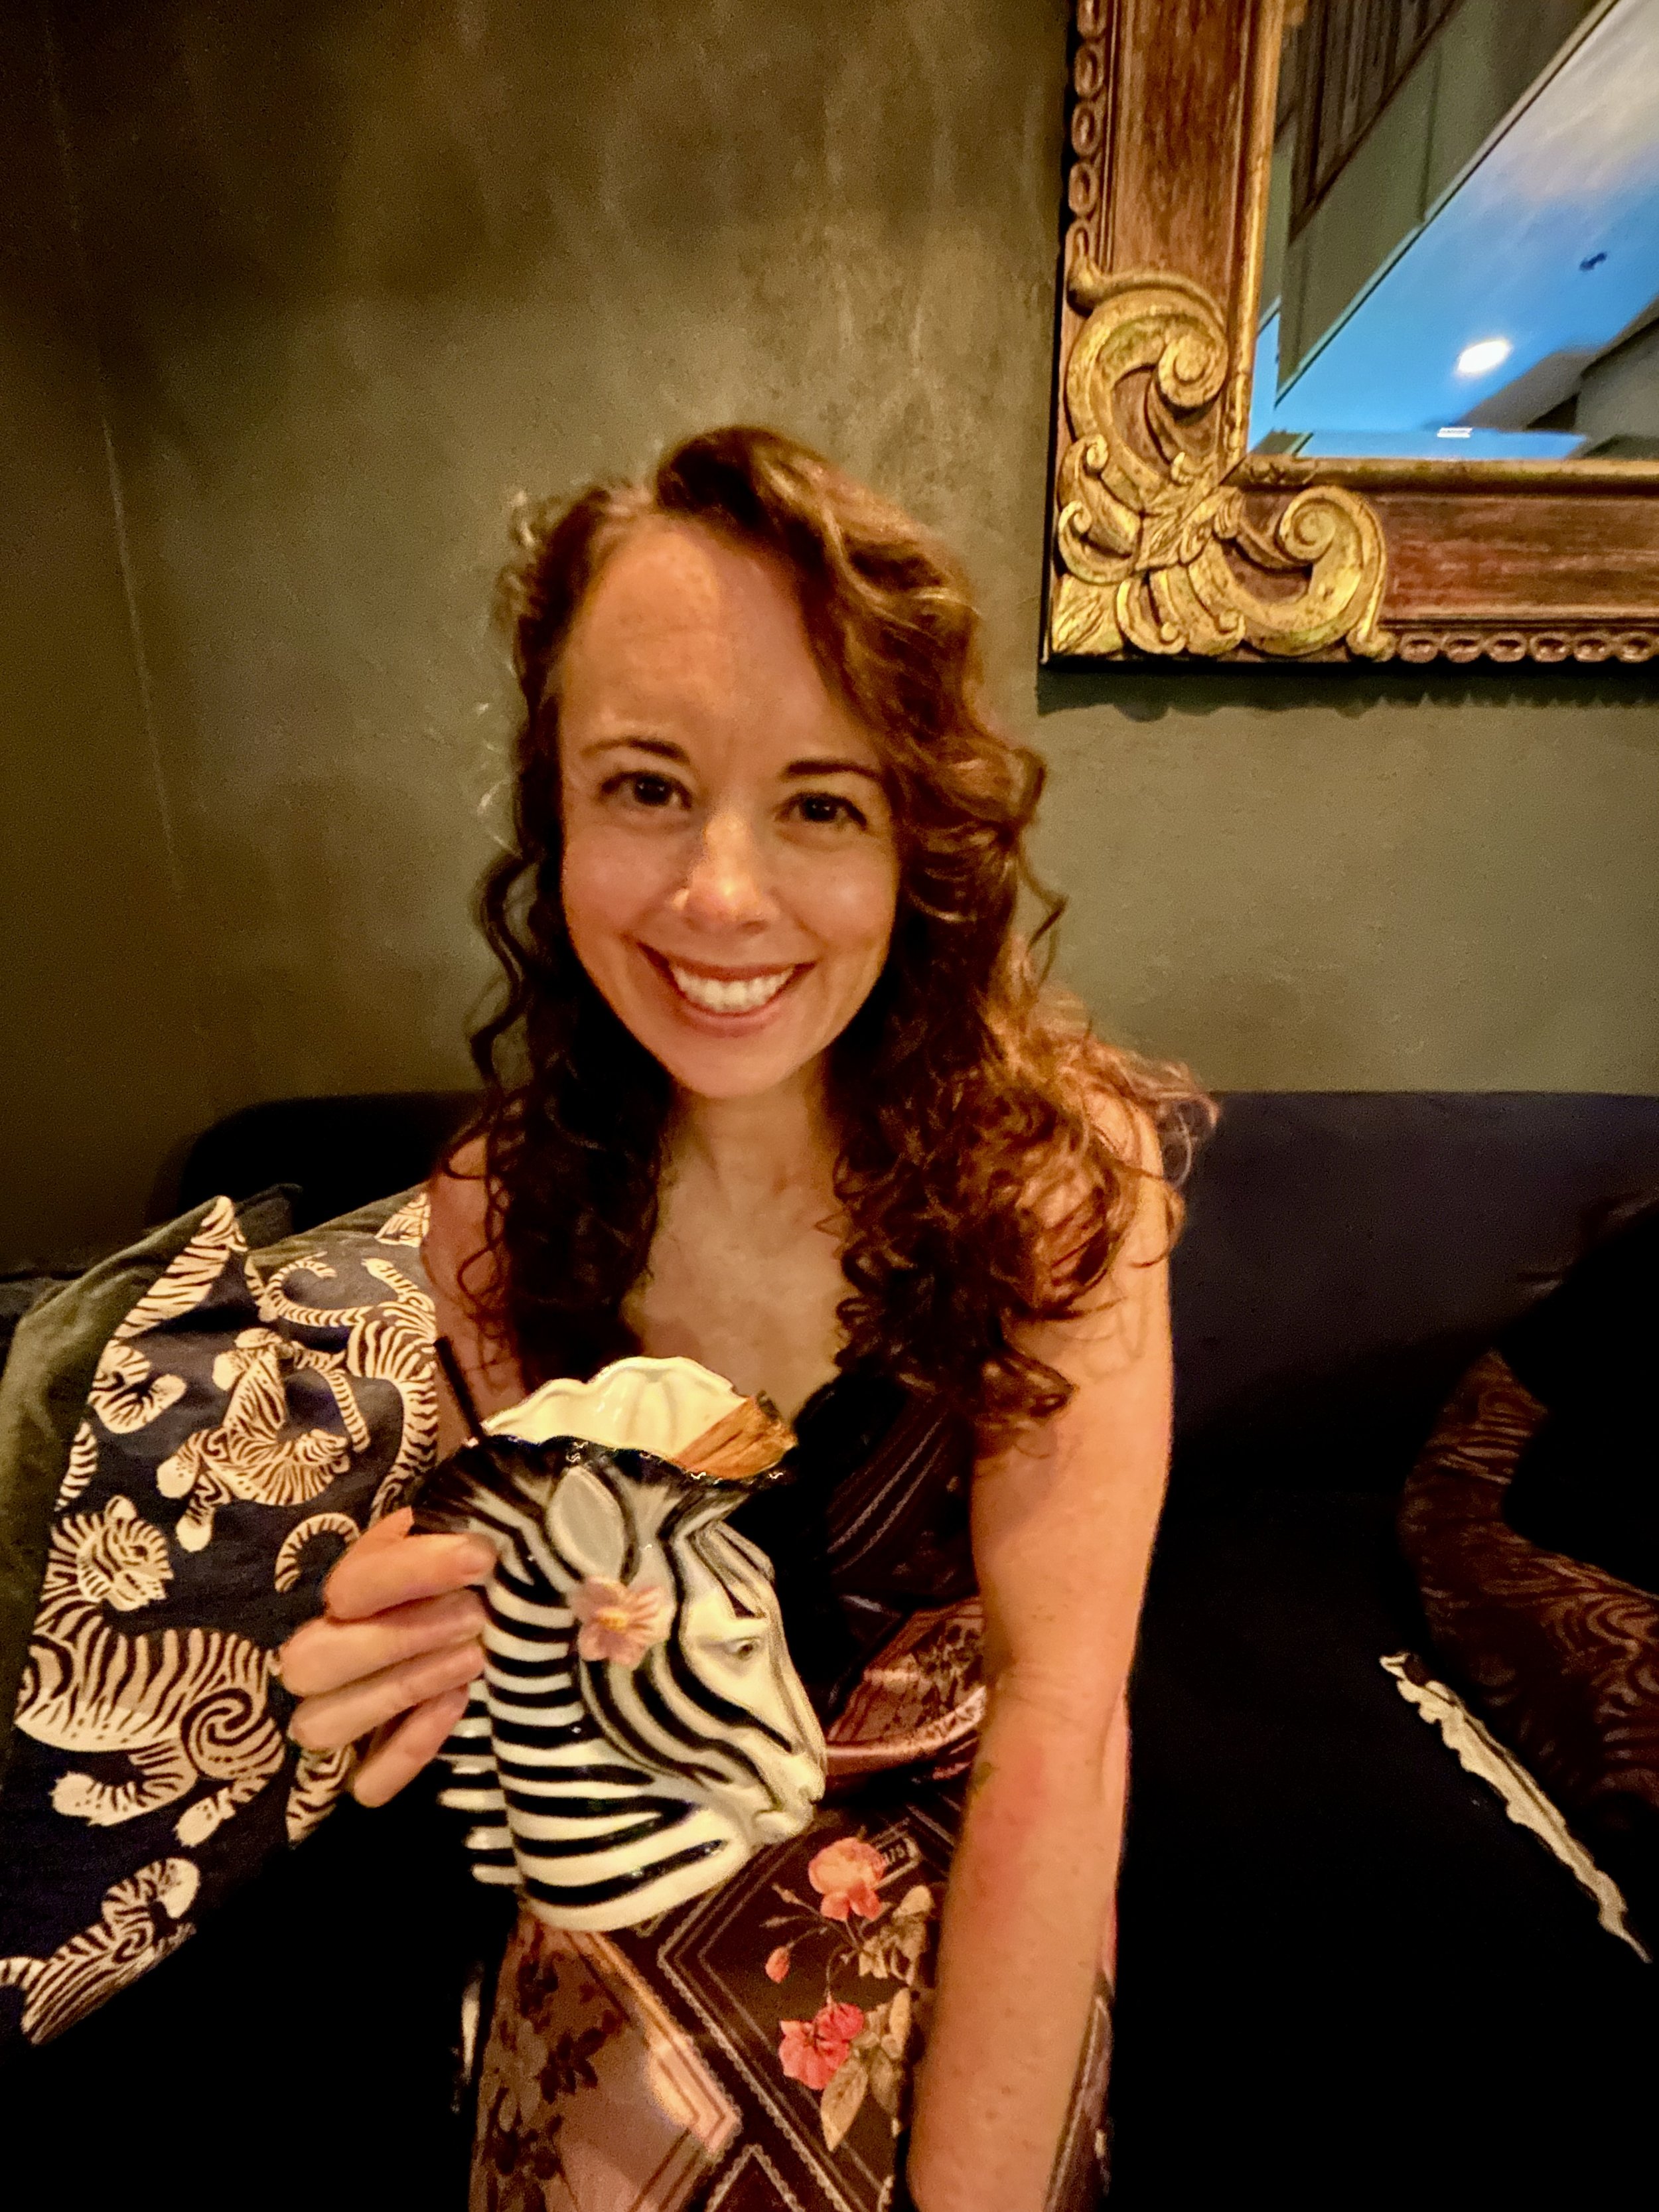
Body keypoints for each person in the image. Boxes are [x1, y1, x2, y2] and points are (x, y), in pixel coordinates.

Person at [278, 426, 1207, 2212]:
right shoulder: (492, 1206)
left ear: (916, 840)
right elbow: (547, 1679)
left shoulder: (1059, 1189)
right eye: (645, 786)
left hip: (953, 1849)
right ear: (555, 806)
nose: (721, 894)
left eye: (818, 802)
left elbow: (1058, 1723)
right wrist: (420, 1625)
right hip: (639, 1849)